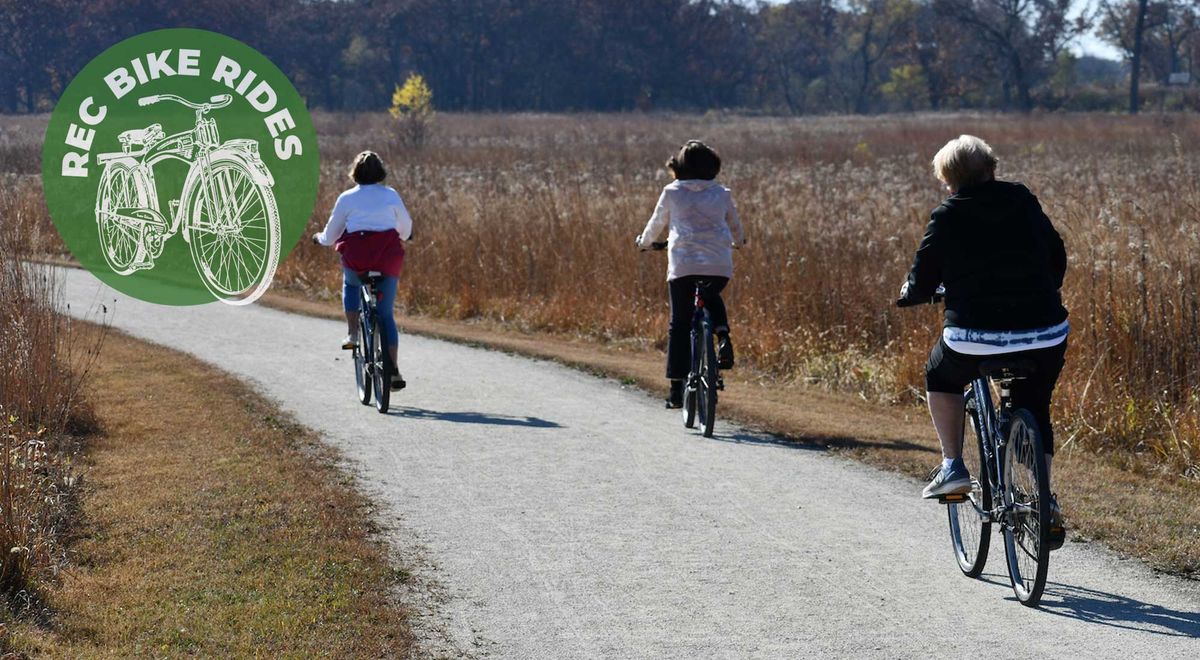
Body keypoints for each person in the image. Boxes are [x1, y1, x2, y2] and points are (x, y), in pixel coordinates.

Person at [896, 134, 1068, 548]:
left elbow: (922, 278)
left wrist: (911, 293)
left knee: (940, 375)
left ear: (948, 180)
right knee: (1035, 404)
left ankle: (953, 467)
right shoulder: (1023, 201)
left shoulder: (947, 214)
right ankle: (1043, 500)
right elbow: (1056, 254)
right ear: (992, 169)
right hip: (1043, 331)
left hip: (974, 338)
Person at [637, 140, 746, 408]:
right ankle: (722, 335)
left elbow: (656, 224)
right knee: (710, 293)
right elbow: (735, 226)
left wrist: (644, 242)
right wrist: (739, 242)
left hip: (682, 265)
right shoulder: (722, 193)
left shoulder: (672, 192)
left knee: (680, 324)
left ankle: (676, 390)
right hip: (718, 264)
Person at [312, 150, 413, 390]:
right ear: (380, 172)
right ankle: (393, 371)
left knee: (351, 284)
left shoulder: (347, 198)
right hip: (387, 259)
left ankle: (353, 334)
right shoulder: (391, 195)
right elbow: (406, 228)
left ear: (355, 173)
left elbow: (331, 235)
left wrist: (319, 238)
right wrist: (404, 234)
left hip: (358, 259)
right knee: (386, 315)